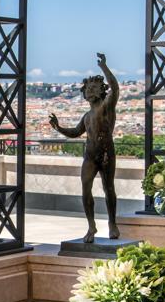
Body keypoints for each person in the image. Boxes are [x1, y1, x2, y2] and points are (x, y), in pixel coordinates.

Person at [49, 53, 120, 243]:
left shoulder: (107, 107)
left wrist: (104, 67)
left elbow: (115, 87)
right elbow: (75, 132)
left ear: (100, 91)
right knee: (85, 189)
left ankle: (112, 224)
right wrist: (58, 128)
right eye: (87, 88)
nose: (89, 91)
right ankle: (91, 225)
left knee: (109, 188)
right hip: (90, 155)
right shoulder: (87, 116)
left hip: (106, 153)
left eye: (93, 87)